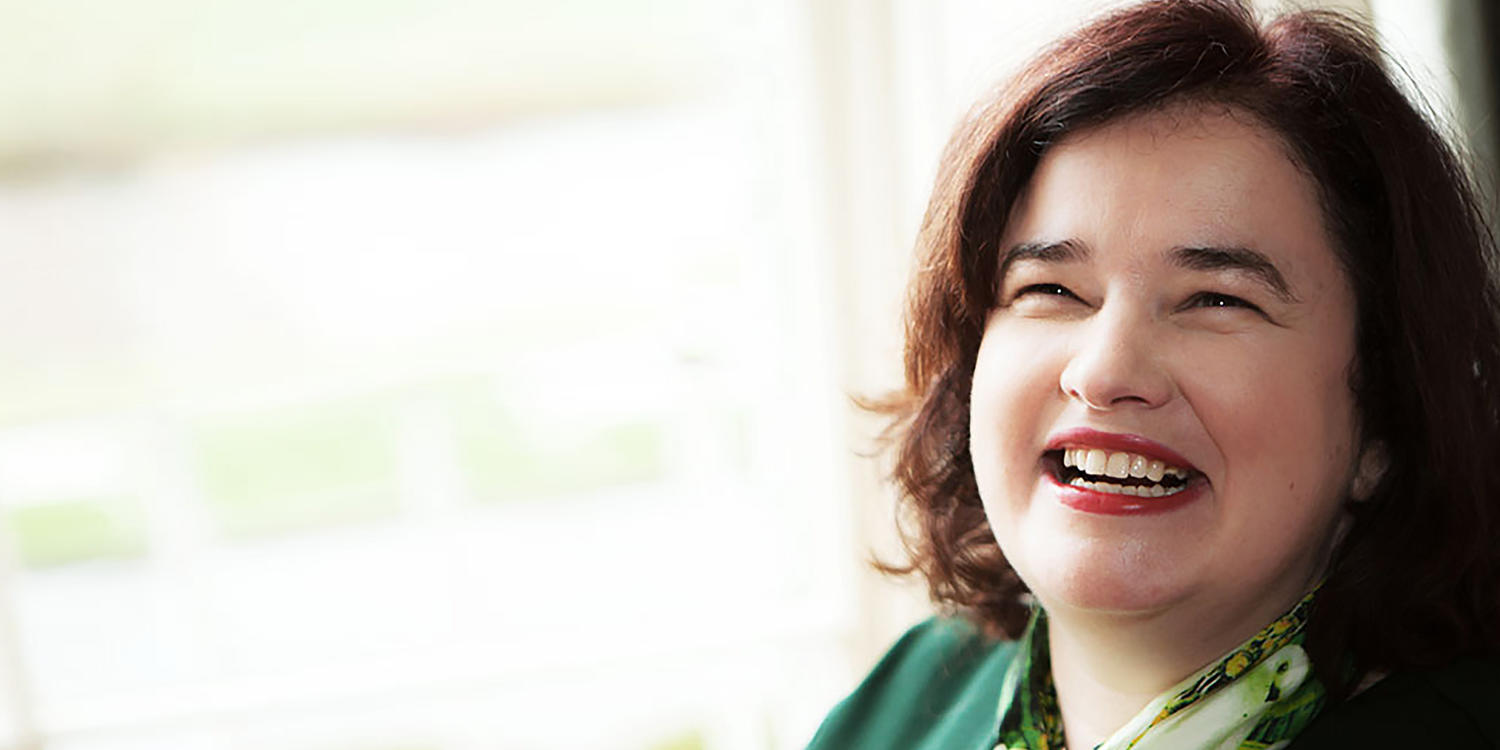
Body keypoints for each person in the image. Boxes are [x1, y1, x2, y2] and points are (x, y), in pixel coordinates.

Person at [806, 0, 1500, 748]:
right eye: (1051, 289)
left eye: (1217, 299)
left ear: (1387, 415)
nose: (1105, 370)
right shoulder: (906, 703)